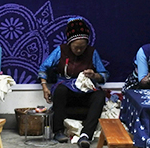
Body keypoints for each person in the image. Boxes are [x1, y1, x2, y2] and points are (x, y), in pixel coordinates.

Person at [37, 17, 109, 148]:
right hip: (66, 93)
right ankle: (58, 131)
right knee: (60, 90)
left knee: (99, 95)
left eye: (82, 47)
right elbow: (43, 68)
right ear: (70, 43)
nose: (79, 50)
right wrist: (44, 87)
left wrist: (94, 75)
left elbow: (104, 75)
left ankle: (86, 135)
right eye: (76, 47)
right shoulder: (61, 50)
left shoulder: (92, 52)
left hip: (85, 93)